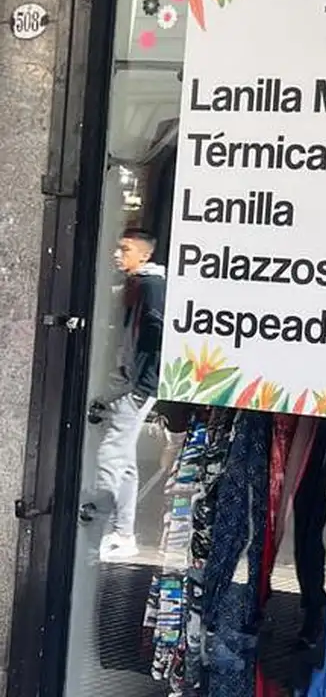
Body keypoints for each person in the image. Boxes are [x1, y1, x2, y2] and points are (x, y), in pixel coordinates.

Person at [79, 228, 166, 561]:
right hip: (133, 384)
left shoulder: (150, 286)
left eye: (125, 249)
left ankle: (92, 536)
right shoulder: (138, 284)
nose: (117, 254)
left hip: (134, 386)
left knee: (110, 457)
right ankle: (123, 534)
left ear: (144, 254)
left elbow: (152, 332)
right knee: (123, 459)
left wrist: (132, 380)